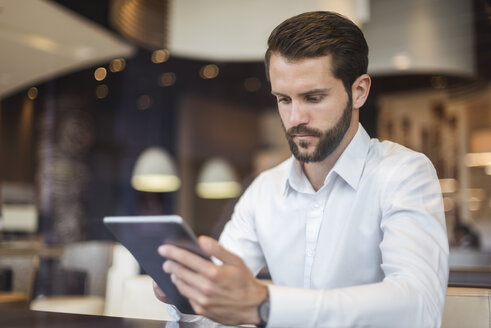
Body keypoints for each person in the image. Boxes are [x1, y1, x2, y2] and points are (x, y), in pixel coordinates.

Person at [154, 11, 449, 327]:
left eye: (313, 97)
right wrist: (187, 296)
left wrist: (267, 305)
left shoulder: (404, 173)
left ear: (359, 91)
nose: (295, 118)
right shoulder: (264, 190)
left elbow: (419, 307)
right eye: (283, 99)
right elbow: (214, 308)